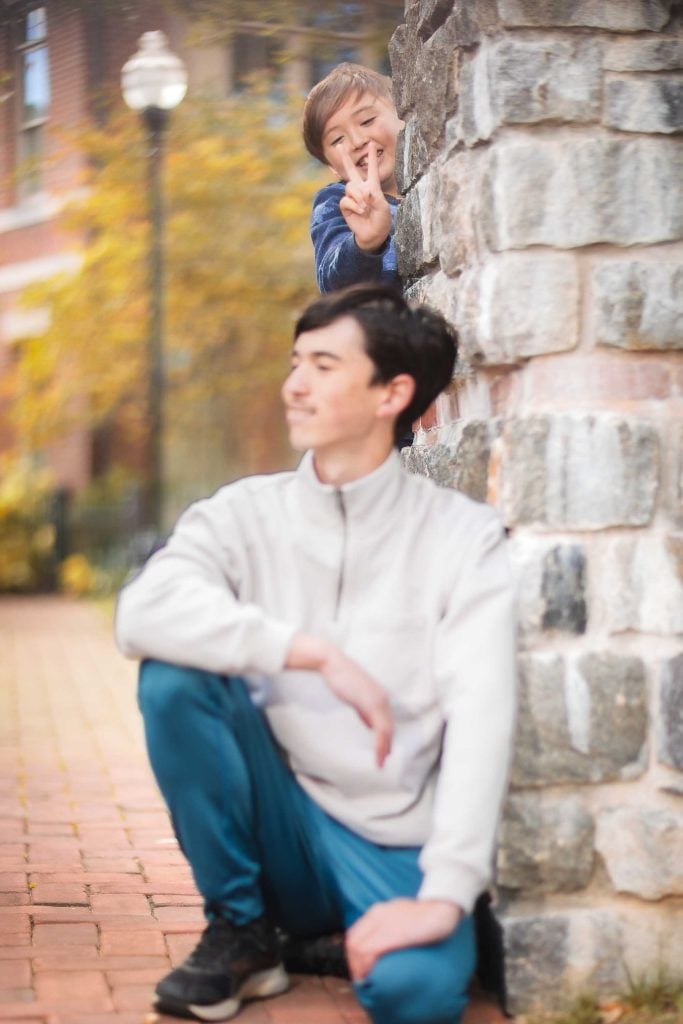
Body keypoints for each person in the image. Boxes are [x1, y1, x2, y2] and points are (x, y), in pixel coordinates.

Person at [115, 283, 517, 1024]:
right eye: (296, 362)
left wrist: (445, 894)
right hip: (281, 824)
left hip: (391, 834)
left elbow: (484, 715)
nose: (292, 385)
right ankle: (244, 929)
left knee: (416, 997)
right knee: (174, 680)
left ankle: (316, 939)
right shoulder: (243, 513)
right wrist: (310, 653)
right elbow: (141, 612)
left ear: (391, 392)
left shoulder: (462, 539)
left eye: (323, 366)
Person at [303, 63, 403, 294]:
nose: (358, 141)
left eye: (367, 121)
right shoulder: (337, 202)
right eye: (338, 139)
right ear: (331, 165)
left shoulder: (434, 178)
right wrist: (364, 244)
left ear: (402, 115)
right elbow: (331, 281)